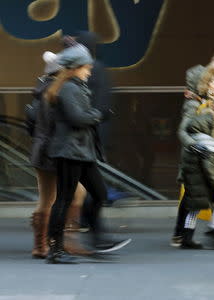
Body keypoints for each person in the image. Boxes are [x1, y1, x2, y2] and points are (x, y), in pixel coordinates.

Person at [45, 45, 130, 264]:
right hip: (70, 151)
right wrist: (99, 114)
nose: (89, 71)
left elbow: (82, 117)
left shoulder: (74, 85)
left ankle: (96, 238)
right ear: (74, 68)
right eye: (86, 67)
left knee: (100, 193)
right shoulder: (68, 88)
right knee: (63, 199)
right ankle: (56, 250)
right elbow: (78, 118)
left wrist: (94, 115)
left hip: (81, 151)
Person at [27, 51, 91, 258]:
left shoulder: (43, 90)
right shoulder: (56, 91)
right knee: (66, 195)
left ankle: (46, 243)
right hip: (52, 151)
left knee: (52, 197)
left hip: (42, 149)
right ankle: (54, 242)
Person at [172, 53, 214, 247]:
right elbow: (183, 131)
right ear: (203, 84)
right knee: (206, 194)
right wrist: (197, 145)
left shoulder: (203, 103)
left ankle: (189, 235)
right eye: (212, 82)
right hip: (198, 158)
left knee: (202, 195)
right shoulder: (193, 105)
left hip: (203, 156)